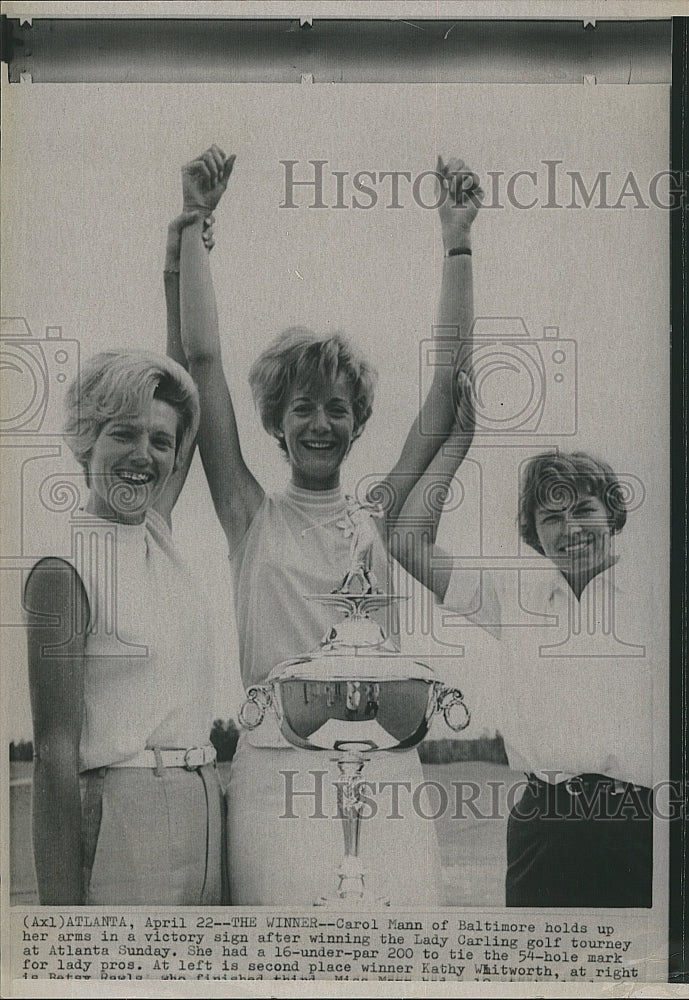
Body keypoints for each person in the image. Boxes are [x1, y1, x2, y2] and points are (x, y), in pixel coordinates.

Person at [170, 144, 482, 905]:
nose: (319, 422)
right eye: (301, 407)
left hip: (389, 772)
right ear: (275, 423)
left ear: (357, 420)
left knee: (404, 955)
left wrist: (457, 241)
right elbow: (204, 364)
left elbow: (447, 386)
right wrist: (194, 222)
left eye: (335, 407)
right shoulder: (247, 514)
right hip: (275, 775)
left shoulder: (377, 515)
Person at [398, 442, 655, 908]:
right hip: (542, 826)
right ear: (534, 532)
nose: (570, 529)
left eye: (583, 509)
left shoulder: (663, 596)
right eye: (551, 518)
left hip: (641, 825)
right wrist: (456, 441)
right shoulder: (514, 598)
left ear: (612, 512)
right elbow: (407, 544)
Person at [23, 345, 226, 906]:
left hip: (208, 808)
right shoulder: (63, 566)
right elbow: (54, 754)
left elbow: (191, 368)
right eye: (123, 434)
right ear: (87, 440)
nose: (145, 455)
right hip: (124, 817)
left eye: (161, 441)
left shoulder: (155, 532)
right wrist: (62, 925)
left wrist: (176, 267)